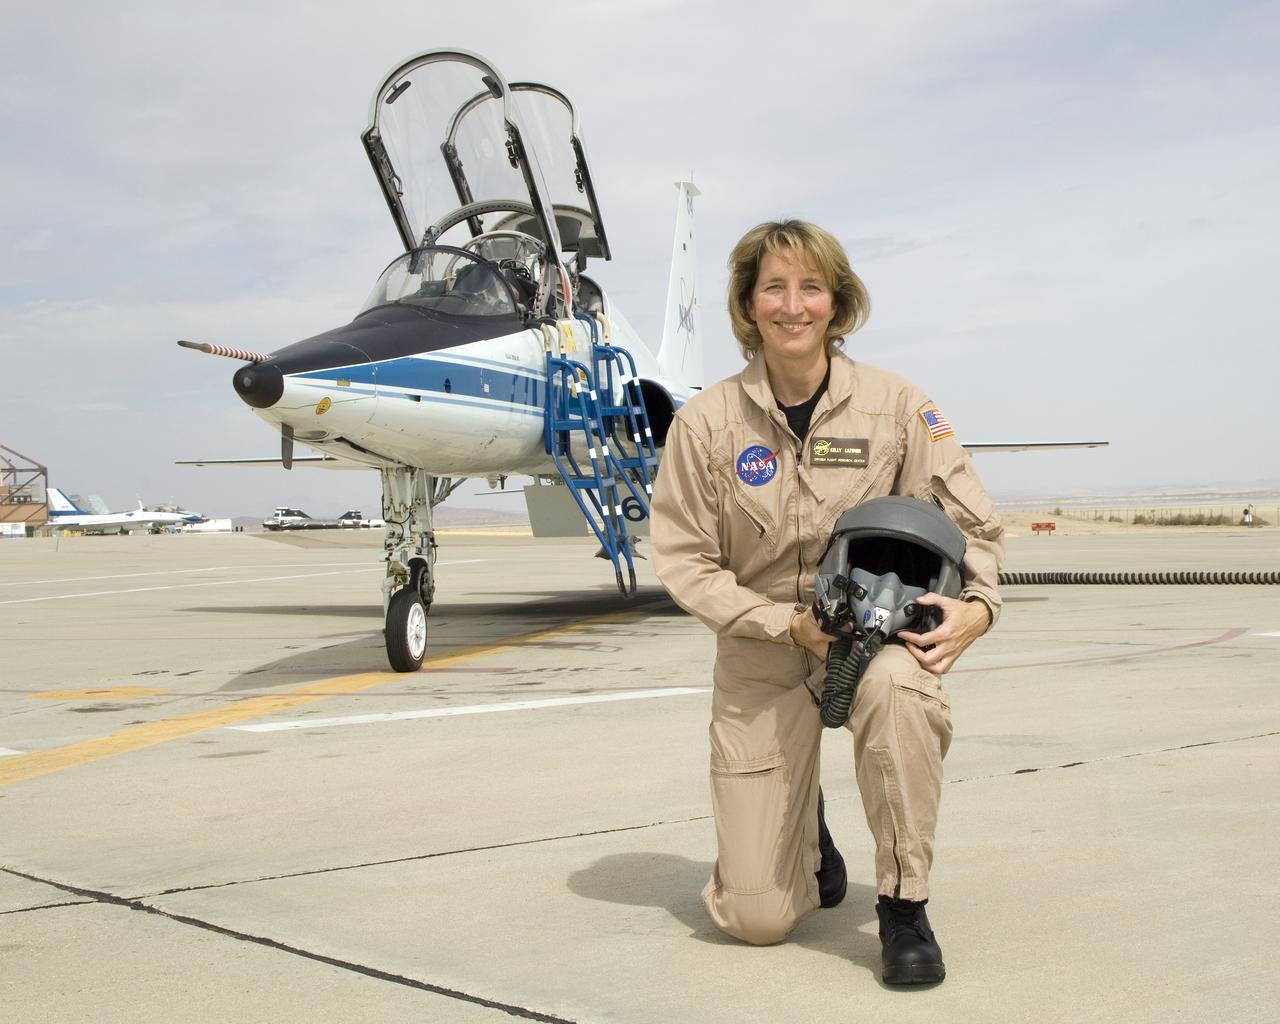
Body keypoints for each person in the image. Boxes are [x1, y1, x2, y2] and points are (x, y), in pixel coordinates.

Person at [650, 220, 1005, 985]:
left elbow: (972, 526)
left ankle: (904, 906)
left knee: (904, 694)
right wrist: (785, 624)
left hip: (875, 641)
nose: (792, 305)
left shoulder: (898, 407)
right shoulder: (704, 424)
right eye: (773, 287)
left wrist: (977, 608)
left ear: (837, 302)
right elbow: (684, 559)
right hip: (764, 649)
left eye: (810, 287)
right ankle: (806, 837)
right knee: (756, 919)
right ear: (749, 303)